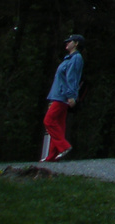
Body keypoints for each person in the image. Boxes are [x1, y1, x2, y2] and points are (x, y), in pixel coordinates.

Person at [41, 34, 83, 162]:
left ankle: (63, 146)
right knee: (58, 124)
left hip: (63, 96)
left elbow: (72, 78)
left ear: (76, 44)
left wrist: (71, 96)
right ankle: (52, 156)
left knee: (48, 121)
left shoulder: (76, 58)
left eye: (69, 42)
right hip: (58, 95)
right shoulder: (68, 58)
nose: (67, 43)